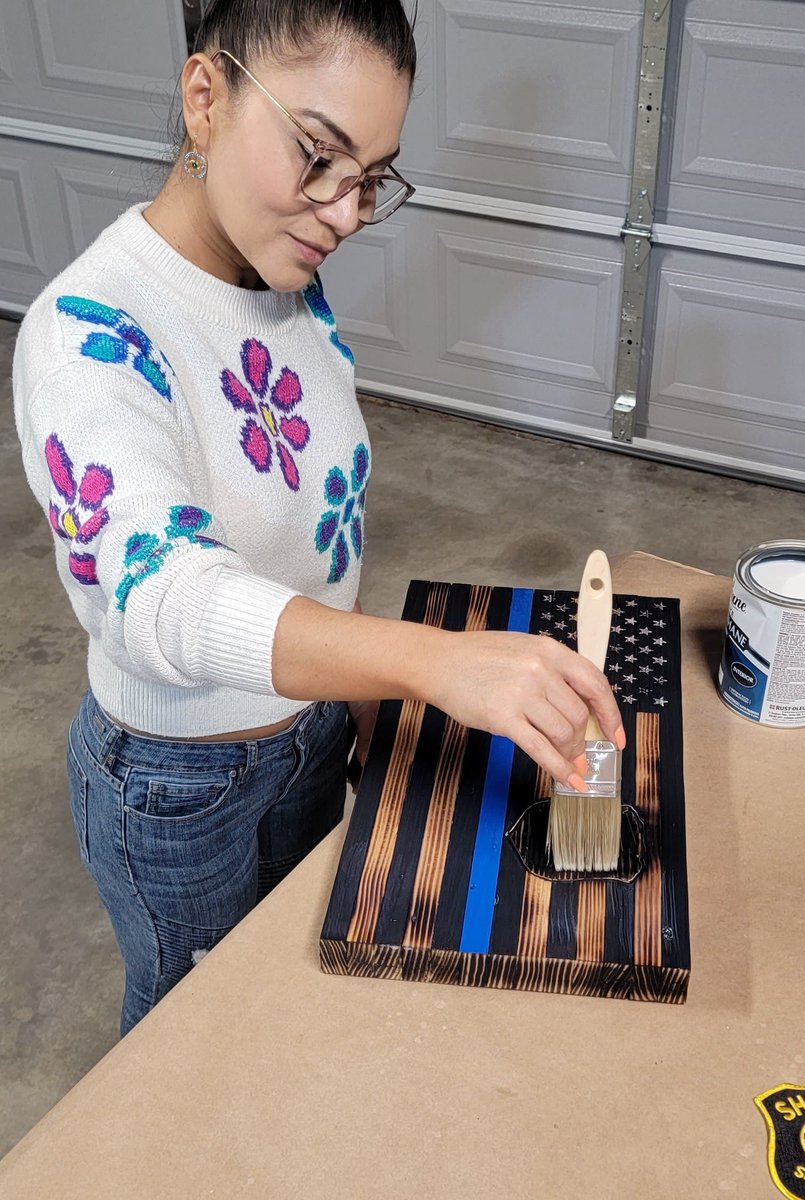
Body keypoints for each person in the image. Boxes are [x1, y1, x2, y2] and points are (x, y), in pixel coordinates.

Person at [12, 0, 624, 1034]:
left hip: (309, 733)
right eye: (317, 155)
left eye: (372, 177)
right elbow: (161, 595)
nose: (344, 211)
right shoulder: (88, 335)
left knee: (285, 1013)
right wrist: (425, 662)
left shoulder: (282, 285)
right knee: (191, 1042)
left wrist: (364, 695)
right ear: (204, 98)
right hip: (177, 788)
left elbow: (303, 540)